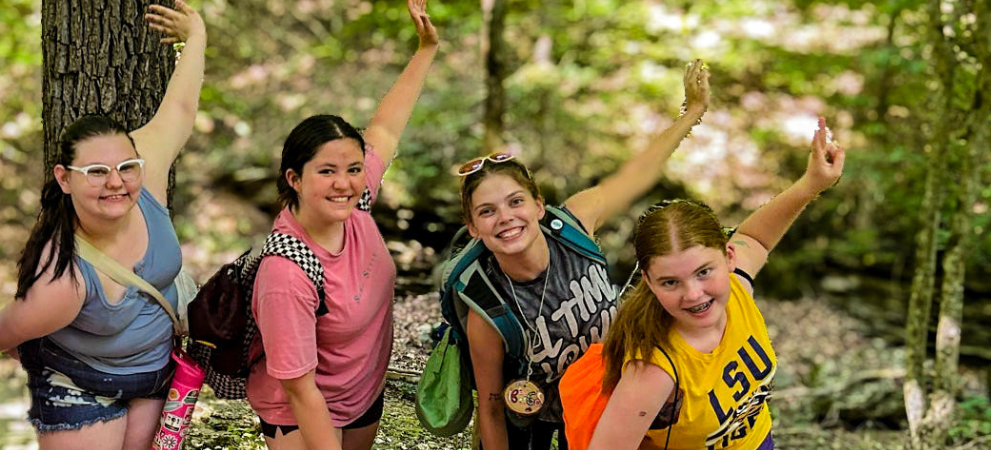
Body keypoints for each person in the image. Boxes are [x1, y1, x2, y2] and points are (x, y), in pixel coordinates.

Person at [0, 2, 205, 449]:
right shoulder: (62, 282)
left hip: (157, 377)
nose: (117, 182)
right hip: (79, 383)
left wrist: (195, 35)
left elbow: (179, 110)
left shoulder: (146, 172)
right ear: (65, 178)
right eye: (97, 172)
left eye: (126, 167)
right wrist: (25, 322)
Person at [455, 60, 711, 450]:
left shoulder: (573, 224)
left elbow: (637, 173)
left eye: (516, 202)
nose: (505, 218)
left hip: (614, 398)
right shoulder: (486, 309)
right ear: (473, 226)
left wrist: (690, 114)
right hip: (539, 423)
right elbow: (490, 408)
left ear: (539, 205)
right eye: (487, 211)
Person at [246, 2, 438, 450]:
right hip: (303, 414)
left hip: (362, 397)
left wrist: (425, 49)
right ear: (294, 178)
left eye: (353, 168)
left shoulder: (357, 202)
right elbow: (299, 388)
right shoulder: (286, 272)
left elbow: (387, 129)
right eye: (327, 171)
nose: (344, 183)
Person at [586, 118, 845, 450]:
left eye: (704, 272)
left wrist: (811, 184)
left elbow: (756, 237)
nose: (693, 294)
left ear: (729, 257)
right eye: (669, 282)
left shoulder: (737, 287)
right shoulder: (654, 371)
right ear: (648, 282)